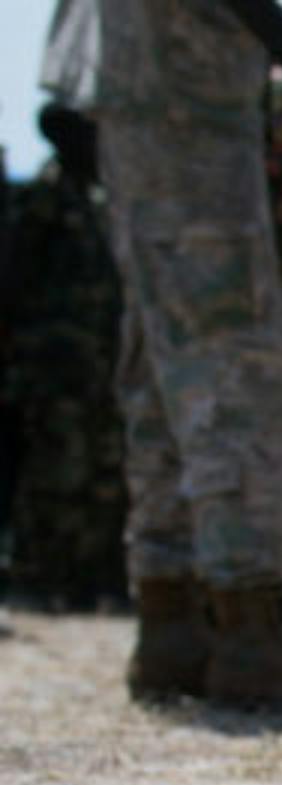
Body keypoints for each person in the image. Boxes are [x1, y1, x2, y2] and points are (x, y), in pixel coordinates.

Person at [44, 0, 282, 707]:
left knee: (161, 363)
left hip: (138, 110)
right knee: (236, 370)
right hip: (193, 117)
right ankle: (247, 630)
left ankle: (170, 620)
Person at [4, 102, 127, 611]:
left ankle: (83, 578)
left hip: (99, 364)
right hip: (51, 362)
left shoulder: (102, 201)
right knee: (53, 469)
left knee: (101, 470)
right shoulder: (43, 198)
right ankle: (36, 574)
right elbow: (12, 270)